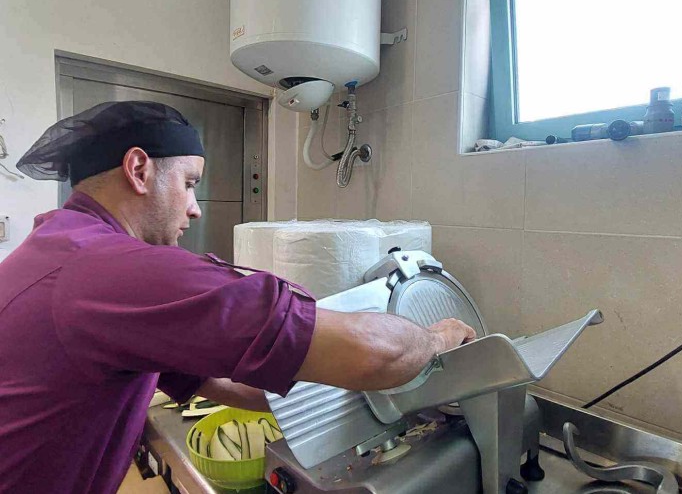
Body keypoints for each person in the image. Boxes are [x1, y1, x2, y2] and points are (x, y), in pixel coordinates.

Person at [0, 101, 476, 493]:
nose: (193, 208)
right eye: (189, 183)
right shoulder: (111, 269)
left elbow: (216, 380)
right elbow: (376, 352)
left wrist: (337, 382)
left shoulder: (60, 246)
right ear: (139, 169)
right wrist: (436, 341)